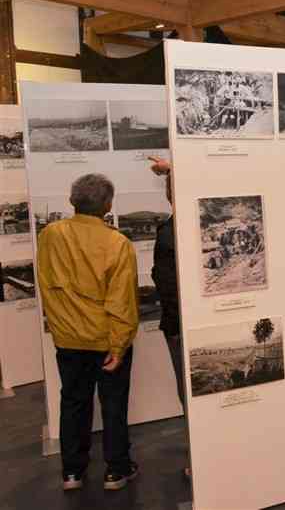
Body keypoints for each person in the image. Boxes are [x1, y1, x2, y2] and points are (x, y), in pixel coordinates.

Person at [36, 173, 139, 492]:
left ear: (72, 201)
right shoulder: (117, 243)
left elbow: (48, 284)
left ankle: (72, 472)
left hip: (68, 338)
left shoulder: (51, 234)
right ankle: (116, 470)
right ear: (108, 205)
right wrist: (119, 345)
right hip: (107, 338)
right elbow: (122, 300)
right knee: (113, 403)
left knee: (73, 402)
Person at [149, 156, 191, 479]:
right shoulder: (196, 226)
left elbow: (165, 285)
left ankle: (199, 461)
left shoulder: (167, 233)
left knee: (188, 395)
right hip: (183, 324)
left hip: (179, 326)